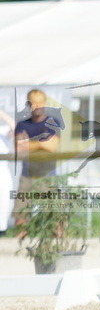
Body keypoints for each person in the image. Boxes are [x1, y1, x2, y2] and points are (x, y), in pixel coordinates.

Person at [11, 89, 63, 230]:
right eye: (34, 103)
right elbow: (19, 148)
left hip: (48, 176)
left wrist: (29, 143)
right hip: (27, 177)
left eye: (40, 102)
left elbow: (52, 146)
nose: (37, 106)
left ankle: (59, 245)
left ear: (45, 103)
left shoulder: (52, 122)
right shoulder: (22, 125)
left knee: (55, 218)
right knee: (20, 217)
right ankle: (19, 246)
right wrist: (41, 142)